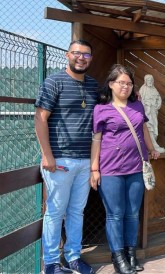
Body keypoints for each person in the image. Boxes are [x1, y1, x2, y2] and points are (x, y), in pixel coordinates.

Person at [90, 64, 160, 274]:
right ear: (111, 84)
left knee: (132, 214)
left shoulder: (137, 105)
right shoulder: (101, 109)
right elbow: (96, 139)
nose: (126, 87)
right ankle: (118, 258)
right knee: (115, 214)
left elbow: (144, 128)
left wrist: (151, 148)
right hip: (110, 169)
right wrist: (94, 169)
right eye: (121, 82)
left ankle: (131, 254)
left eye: (129, 83)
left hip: (136, 166)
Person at [35, 39, 97, 274]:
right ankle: (51, 263)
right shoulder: (53, 82)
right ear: (67, 55)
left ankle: (73, 257)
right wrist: (47, 155)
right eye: (76, 53)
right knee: (55, 211)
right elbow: (40, 119)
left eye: (86, 55)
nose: (81, 58)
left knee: (76, 212)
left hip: (84, 160)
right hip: (59, 160)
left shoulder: (92, 85)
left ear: (91, 59)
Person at [139, 74, 165, 153]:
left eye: (151, 80)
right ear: (145, 81)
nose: (150, 81)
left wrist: (158, 105)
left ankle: (153, 144)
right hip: (147, 112)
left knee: (154, 127)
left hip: (153, 112)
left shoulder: (154, 89)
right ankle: (152, 145)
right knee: (148, 126)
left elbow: (158, 98)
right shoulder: (143, 89)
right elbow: (140, 100)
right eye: (148, 80)